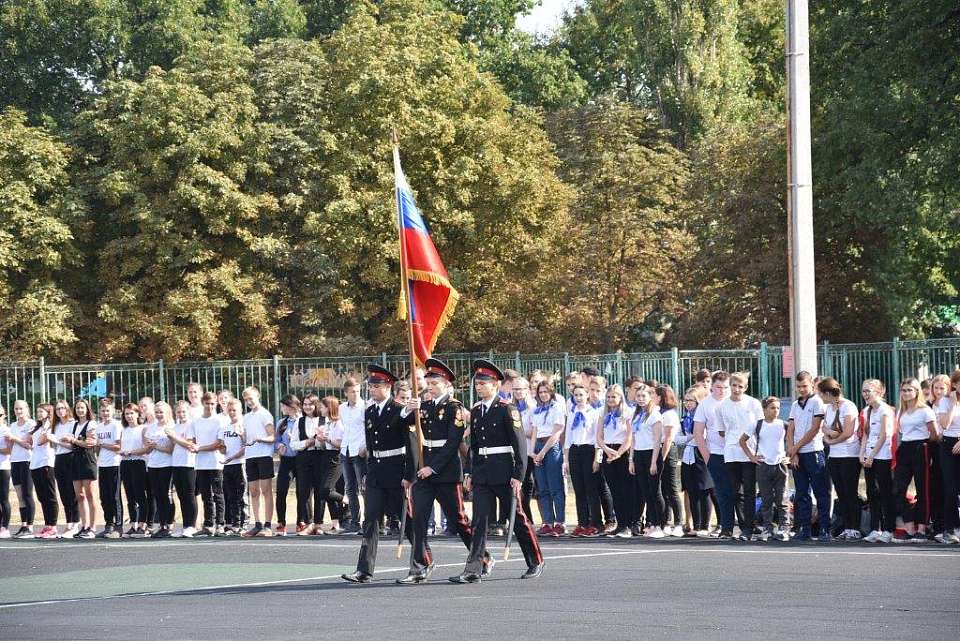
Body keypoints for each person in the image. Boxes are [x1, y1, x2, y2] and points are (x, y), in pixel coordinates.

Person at [449, 360, 542, 583]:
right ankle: (474, 568)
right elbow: (474, 446)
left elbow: (520, 446)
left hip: (504, 472)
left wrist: (518, 475)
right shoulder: (476, 410)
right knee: (479, 521)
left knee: (517, 519)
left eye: (483, 383)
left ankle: (535, 560)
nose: (479, 387)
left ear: (496, 384)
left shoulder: (507, 409)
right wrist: (469, 472)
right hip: (482, 472)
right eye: (477, 384)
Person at [395, 358, 475, 584]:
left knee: (458, 521)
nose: (430, 387)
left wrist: (434, 467)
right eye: (428, 383)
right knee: (418, 519)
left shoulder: (454, 408)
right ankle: (421, 566)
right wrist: (408, 410)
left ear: (447, 384)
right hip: (424, 470)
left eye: (435, 383)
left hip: (446, 472)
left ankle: (482, 557)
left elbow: (452, 443)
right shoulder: (425, 405)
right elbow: (402, 425)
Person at [341, 366, 413, 583]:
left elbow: (411, 445)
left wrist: (409, 475)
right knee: (370, 520)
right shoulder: (370, 411)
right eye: (370, 386)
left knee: (408, 520)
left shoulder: (400, 409)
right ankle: (364, 570)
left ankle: (423, 560)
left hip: (396, 470)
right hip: (376, 471)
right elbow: (371, 445)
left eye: (376, 386)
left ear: (388, 387)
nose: (372, 390)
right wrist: (368, 471)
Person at [715, 372, 763, 541]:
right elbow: (721, 431)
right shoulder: (722, 406)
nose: (736, 389)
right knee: (735, 492)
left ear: (746, 387)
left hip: (750, 453)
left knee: (749, 491)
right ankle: (741, 526)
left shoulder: (753, 403)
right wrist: (733, 439)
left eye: (740, 386)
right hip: (731, 452)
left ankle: (748, 528)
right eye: (734, 385)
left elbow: (761, 426)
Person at [786, 371, 831, 542]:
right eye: (798, 386)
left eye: (804, 386)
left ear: (812, 384)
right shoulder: (795, 405)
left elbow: (814, 429)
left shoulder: (817, 401)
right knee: (801, 492)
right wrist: (793, 452)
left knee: (821, 491)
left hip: (814, 452)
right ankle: (804, 529)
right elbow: (790, 429)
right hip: (798, 455)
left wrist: (795, 448)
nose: (801, 389)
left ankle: (824, 528)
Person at [893, 377, 938, 541]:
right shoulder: (901, 411)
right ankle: (910, 527)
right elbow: (901, 433)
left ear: (917, 391)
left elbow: (934, 435)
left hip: (921, 448)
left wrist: (926, 449)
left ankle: (922, 528)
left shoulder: (925, 410)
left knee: (922, 489)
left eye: (909, 390)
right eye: (903, 390)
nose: (906, 393)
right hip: (904, 448)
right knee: (898, 489)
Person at [818, 378, 862, 540]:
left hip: (849, 454)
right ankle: (847, 526)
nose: (820, 397)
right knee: (841, 493)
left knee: (850, 492)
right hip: (834, 456)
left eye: (821, 393)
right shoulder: (828, 408)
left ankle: (855, 527)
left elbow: (848, 432)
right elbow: (824, 428)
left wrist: (832, 440)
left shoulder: (848, 406)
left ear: (827, 393)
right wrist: (830, 434)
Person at [740, 396, 789, 541]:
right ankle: (768, 528)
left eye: (778, 408)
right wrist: (752, 456)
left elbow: (794, 440)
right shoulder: (757, 424)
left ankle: (784, 528)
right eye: (772, 408)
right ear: (764, 409)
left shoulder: (784, 425)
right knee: (766, 499)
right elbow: (742, 441)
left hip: (780, 465)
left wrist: (790, 456)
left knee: (782, 499)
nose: (776, 411)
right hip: (763, 466)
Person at [694, 371, 733, 538]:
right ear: (712, 387)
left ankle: (747, 525)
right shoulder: (705, 405)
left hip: (737, 453)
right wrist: (707, 457)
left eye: (725, 387)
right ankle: (724, 526)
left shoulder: (735, 402)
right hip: (716, 453)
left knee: (739, 492)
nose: (722, 391)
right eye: (718, 387)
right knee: (721, 491)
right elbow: (698, 432)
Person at [564, 384, 602, 537]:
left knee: (591, 489)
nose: (578, 398)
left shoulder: (594, 413)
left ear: (587, 395)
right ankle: (582, 522)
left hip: (589, 450)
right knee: (578, 490)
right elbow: (568, 437)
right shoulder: (572, 413)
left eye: (581, 395)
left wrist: (596, 459)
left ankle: (595, 523)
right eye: (576, 395)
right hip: (575, 450)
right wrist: (566, 460)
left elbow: (597, 438)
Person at [530, 380, 566, 536]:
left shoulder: (557, 407)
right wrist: (532, 451)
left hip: (551, 447)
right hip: (538, 446)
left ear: (551, 392)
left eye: (546, 392)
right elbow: (535, 431)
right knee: (542, 487)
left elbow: (557, 432)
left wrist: (543, 452)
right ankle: (547, 522)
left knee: (555, 486)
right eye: (540, 392)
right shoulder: (536, 410)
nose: (543, 395)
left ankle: (560, 522)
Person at [597, 384, 634, 538]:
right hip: (608, 452)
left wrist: (619, 453)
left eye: (614, 396)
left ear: (620, 398)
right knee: (614, 490)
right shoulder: (603, 412)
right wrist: (607, 450)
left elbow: (629, 437)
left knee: (625, 490)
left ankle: (628, 525)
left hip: (622, 452)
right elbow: (599, 436)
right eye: (608, 397)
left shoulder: (627, 413)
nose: (611, 399)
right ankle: (620, 524)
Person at [861, 379, 895, 543]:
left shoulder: (885, 410)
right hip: (869, 457)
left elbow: (884, 435)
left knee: (885, 493)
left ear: (880, 392)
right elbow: (866, 434)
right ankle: (875, 528)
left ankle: (888, 529)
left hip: (882, 457)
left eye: (869, 391)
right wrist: (862, 453)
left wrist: (872, 455)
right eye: (864, 391)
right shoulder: (867, 410)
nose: (866, 394)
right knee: (871, 492)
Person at [240, 386, 276, 537]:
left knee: (266, 490)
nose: (249, 402)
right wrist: (241, 435)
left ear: (258, 396)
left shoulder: (265, 414)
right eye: (246, 400)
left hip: (264, 456)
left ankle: (267, 526)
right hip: (250, 457)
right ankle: (257, 524)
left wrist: (260, 439)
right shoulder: (246, 417)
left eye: (251, 398)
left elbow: (272, 437)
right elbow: (245, 440)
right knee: (253, 491)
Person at [630, 385, 664, 537]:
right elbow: (633, 439)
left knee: (655, 491)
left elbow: (657, 440)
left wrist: (654, 462)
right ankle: (652, 524)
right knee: (646, 492)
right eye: (638, 396)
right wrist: (631, 460)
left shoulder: (655, 415)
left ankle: (659, 525)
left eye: (644, 396)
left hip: (651, 454)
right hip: (639, 454)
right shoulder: (636, 415)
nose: (641, 399)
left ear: (650, 397)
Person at [678, 389, 713, 536]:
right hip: (688, 455)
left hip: (701, 453)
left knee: (703, 490)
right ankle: (696, 525)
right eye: (685, 400)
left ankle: (705, 525)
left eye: (690, 400)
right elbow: (678, 439)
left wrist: (693, 437)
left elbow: (703, 436)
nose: (687, 403)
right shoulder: (684, 419)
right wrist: (690, 438)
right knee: (691, 490)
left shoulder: (703, 417)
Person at [292, 393, 326, 535]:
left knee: (320, 491)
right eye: (305, 404)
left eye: (310, 404)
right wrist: (306, 443)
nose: (307, 407)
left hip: (320, 457)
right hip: (304, 458)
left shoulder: (324, 420)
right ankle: (308, 522)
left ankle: (318, 524)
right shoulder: (299, 421)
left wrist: (318, 442)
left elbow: (329, 441)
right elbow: (293, 444)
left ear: (316, 405)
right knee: (304, 491)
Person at [193, 392, 226, 536]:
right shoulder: (196, 421)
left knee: (218, 494)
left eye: (213, 404)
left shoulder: (220, 421)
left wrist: (200, 448)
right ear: (203, 403)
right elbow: (193, 441)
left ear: (216, 404)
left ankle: (220, 524)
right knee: (206, 495)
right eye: (207, 403)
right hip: (201, 464)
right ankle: (208, 524)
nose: (210, 406)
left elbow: (219, 444)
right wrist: (194, 447)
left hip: (215, 463)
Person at [655, 385, 684, 537]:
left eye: (654, 394)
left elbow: (668, 438)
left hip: (667, 451)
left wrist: (662, 457)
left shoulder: (669, 414)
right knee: (663, 490)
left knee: (672, 489)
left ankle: (679, 523)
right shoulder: (657, 412)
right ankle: (666, 521)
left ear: (661, 397)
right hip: (657, 449)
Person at [339, 377, 367, 533]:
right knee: (350, 488)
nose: (356, 394)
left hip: (359, 451)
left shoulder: (365, 406)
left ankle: (369, 521)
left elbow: (369, 429)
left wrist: (365, 446)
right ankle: (355, 521)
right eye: (352, 392)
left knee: (364, 487)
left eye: (357, 391)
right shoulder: (342, 408)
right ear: (346, 393)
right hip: (346, 449)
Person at [143, 401, 175, 538]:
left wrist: (156, 446)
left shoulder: (172, 426)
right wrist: (149, 446)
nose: (159, 415)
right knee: (158, 495)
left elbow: (171, 449)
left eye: (161, 412)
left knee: (167, 494)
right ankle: (162, 524)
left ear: (167, 412)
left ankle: (169, 524)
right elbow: (147, 449)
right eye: (156, 412)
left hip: (167, 465)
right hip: (153, 465)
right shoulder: (151, 427)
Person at [67, 399, 98, 538]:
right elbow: (73, 443)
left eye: (82, 407)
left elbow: (89, 444)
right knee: (79, 495)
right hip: (75, 461)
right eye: (77, 408)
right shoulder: (74, 425)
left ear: (87, 409)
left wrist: (74, 440)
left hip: (87, 460)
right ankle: (84, 526)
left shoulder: (91, 424)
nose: (80, 410)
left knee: (90, 495)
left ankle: (92, 527)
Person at [314, 396, 345, 533]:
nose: (320, 409)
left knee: (326, 490)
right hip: (326, 456)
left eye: (322, 406)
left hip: (335, 458)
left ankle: (346, 500)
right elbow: (324, 444)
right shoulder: (327, 424)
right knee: (326, 492)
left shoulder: (339, 424)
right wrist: (320, 439)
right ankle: (335, 524)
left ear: (329, 408)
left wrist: (327, 439)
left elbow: (341, 444)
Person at [167, 401, 198, 537]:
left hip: (188, 464)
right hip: (176, 463)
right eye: (178, 412)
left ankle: (192, 525)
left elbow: (189, 444)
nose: (181, 414)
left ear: (188, 412)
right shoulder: (175, 427)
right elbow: (173, 446)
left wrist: (174, 436)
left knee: (190, 495)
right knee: (181, 496)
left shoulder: (191, 425)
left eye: (183, 411)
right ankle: (185, 525)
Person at [118, 403, 150, 537]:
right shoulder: (123, 430)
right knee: (130, 496)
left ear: (137, 414)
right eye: (127, 414)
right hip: (125, 463)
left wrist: (131, 452)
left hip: (138, 463)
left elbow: (147, 448)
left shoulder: (143, 429)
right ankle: (133, 524)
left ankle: (143, 525)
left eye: (132, 413)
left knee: (140, 495)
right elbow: (120, 447)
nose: (129, 416)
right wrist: (122, 452)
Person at [936, 370, 960, 544]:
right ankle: (950, 529)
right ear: (954, 384)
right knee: (950, 489)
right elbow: (945, 424)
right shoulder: (945, 401)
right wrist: (953, 403)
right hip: (949, 445)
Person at [94, 398, 123, 538]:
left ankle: (118, 526)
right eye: (103, 411)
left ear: (113, 411)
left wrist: (102, 444)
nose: (105, 413)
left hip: (114, 464)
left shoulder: (116, 425)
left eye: (107, 411)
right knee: (104, 497)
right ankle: (108, 524)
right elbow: (97, 447)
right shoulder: (99, 427)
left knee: (114, 496)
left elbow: (118, 446)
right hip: (103, 464)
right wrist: (96, 446)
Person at [49, 399, 79, 537]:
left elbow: (72, 446)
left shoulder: (73, 424)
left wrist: (57, 441)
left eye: (63, 408)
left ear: (67, 409)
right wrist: (56, 441)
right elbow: (54, 445)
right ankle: (69, 523)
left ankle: (76, 523)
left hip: (71, 458)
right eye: (58, 409)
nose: (60, 411)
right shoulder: (55, 426)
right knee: (64, 493)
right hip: (59, 459)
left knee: (73, 492)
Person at [29, 404, 58, 539]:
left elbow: (41, 441)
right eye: (38, 411)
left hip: (46, 463)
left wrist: (46, 426)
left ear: (49, 412)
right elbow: (30, 442)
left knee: (50, 495)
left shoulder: (51, 427)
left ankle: (53, 526)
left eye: (42, 411)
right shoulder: (37, 427)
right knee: (42, 497)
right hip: (35, 464)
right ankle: (47, 525)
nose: (39, 414)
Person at [9, 401, 37, 538]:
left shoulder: (31, 424)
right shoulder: (13, 425)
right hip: (15, 462)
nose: (18, 411)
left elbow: (29, 445)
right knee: (19, 495)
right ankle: (23, 525)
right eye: (16, 409)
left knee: (27, 494)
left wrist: (15, 439)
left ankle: (30, 527)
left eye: (21, 408)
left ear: (27, 409)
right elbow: (10, 444)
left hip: (27, 461)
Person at [274, 394, 300, 536]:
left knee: (302, 493)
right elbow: (276, 440)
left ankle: (301, 522)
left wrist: (294, 439)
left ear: (291, 406)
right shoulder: (281, 422)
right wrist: (279, 446)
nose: (281, 408)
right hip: (286, 461)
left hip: (301, 460)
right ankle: (281, 523)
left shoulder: (302, 420)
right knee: (281, 490)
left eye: (283, 406)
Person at [220, 399, 247, 535]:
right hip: (228, 465)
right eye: (229, 410)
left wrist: (234, 456)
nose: (231, 412)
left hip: (240, 463)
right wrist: (222, 449)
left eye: (234, 410)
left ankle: (244, 523)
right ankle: (235, 524)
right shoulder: (224, 428)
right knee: (231, 496)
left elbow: (247, 446)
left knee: (242, 495)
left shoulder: (244, 425)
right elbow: (222, 448)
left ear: (240, 410)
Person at [512, 376, 536, 522]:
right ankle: (524, 517)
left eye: (521, 389)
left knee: (526, 483)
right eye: (515, 389)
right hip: (515, 451)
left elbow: (534, 431)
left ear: (527, 390)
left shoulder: (532, 408)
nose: (518, 392)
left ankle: (528, 519)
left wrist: (516, 432)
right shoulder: (511, 407)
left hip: (528, 450)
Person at [0, 408, 11, 538]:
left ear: (4, 416)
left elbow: (9, 450)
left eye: (0, 414)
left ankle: (5, 527)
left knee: (3, 498)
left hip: (3, 467)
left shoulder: (6, 430)